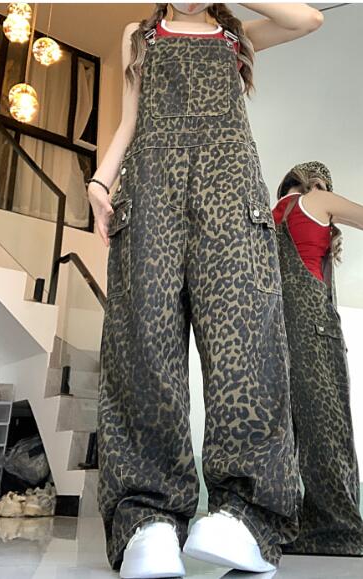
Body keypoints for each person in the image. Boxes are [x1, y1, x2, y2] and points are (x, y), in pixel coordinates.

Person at [87, 4, 324, 577]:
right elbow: (129, 120)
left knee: (247, 347)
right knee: (143, 345)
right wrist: (99, 181)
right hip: (150, 192)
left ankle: (245, 518)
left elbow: (307, 20)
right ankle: (147, 519)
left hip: (231, 196)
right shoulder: (139, 35)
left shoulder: (237, 35)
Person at [272, 161, 363, 555]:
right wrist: (331, 202)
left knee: (282, 435)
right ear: (315, 183)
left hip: (273, 333)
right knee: (327, 428)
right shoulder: (316, 200)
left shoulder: (271, 216)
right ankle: (334, 531)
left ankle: (279, 525)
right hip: (313, 331)